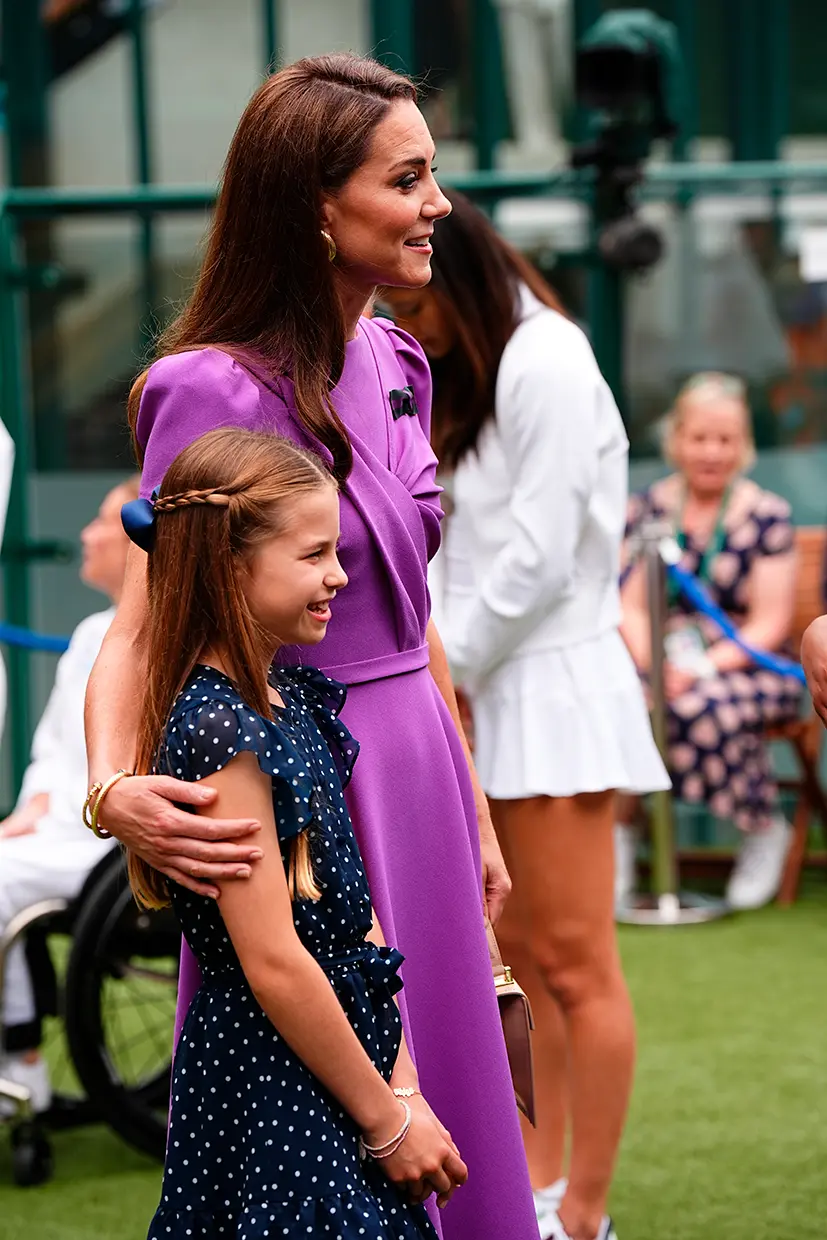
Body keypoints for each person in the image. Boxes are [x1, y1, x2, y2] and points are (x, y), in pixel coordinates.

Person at [83, 53, 538, 1240]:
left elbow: (411, 605)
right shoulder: (204, 388)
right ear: (315, 206)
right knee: (318, 1135)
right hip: (292, 793)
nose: (439, 203)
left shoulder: (400, 362)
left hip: (421, 781)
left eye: (432, 174)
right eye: (408, 178)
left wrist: (471, 801)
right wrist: (111, 786)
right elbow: (143, 618)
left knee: (454, 1093)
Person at [382, 191, 668, 1240]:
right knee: (510, 965)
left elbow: (542, 557)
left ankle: (584, 1211)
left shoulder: (544, 358)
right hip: (481, 691)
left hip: (548, 692)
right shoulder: (475, 370)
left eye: (417, 306)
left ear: (453, 273)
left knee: (573, 962)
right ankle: (538, 1192)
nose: (409, 330)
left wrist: (440, 677)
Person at [112, 428, 466, 1238]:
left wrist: (402, 1084)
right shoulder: (221, 731)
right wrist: (386, 1122)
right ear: (231, 566)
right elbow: (273, 960)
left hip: (352, 1057)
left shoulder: (295, 701)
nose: (339, 576)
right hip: (277, 1077)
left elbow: (356, 916)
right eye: (313, 556)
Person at [620, 372, 802, 910]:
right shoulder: (646, 510)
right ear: (676, 439)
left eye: (725, 440)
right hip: (657, 660)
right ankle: (622, 836)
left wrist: (699, 669)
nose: (711, 451)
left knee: (703, 706)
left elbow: (768, 624)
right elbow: (626, 605)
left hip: (745, 663)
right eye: (700, 437)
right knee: (620, 703)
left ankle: (761, 826)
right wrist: (656, 665)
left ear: (743, 445)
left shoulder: (767, 515)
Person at [0, 475, 137, 1116]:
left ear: (140, 538)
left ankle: (20, 1059)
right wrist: (30, 808)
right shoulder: (89, 634)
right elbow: (53, 749)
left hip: (108, 845)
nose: (85, 534)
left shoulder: (162, 636)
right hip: (60, 826)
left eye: (102, 521)